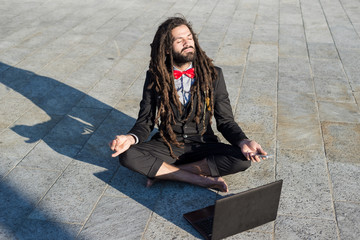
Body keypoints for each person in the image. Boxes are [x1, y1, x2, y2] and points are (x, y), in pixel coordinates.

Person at [109, 16, 267, 193]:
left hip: (202, 143)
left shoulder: (213, 74)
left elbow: (226, 121)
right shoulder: (155, 76)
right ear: (167, 49)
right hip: (167, 144)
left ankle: (164, 173)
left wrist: (243, 140)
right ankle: (200, 179)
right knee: (128, 155)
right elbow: (145, 121)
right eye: (180, 40)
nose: (187, 43)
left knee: (242, 159)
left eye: (189, 38)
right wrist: (129, 138)